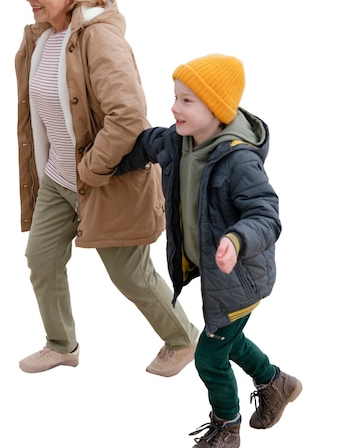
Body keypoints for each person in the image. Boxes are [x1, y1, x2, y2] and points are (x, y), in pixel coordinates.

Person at [14, 0, 199, 376]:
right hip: (59, 179)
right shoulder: (42, 38)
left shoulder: (98, 36)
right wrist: (58, 171)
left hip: (105, 181)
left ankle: (183, 338)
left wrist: (90, 169)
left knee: (131, 275)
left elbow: (128, 116)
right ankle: (61, 344)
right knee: (41, 260)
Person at [116, 54, 302, 447]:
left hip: (241, 276)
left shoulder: (240, 160)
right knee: (230, 341)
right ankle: (276, 382)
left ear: (215, 109)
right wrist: (108, 165)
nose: (174, 107)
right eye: (175, 97)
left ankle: (226, 426)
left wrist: (236, 240)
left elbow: (266, 215)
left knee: (210, 356)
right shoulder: (177, 140)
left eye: (187, 101)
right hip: (215, 271)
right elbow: (145, 145)